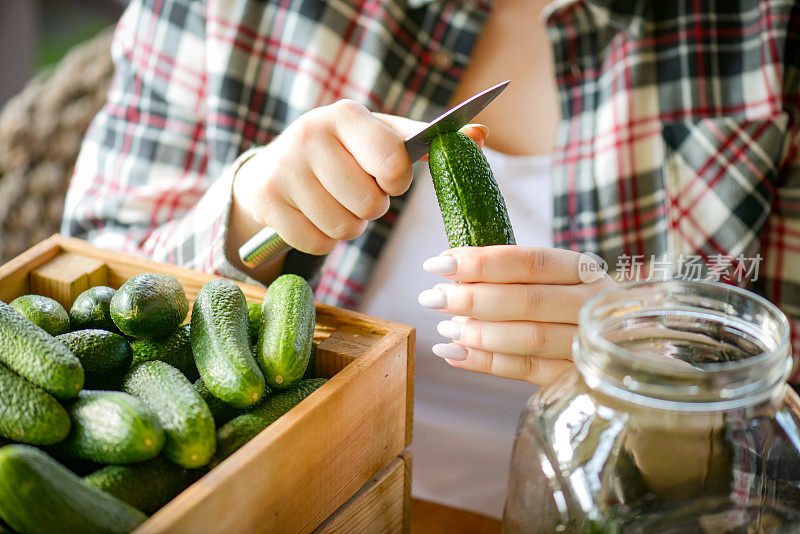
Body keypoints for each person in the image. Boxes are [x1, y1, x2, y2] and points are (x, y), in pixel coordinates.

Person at [63, 0, 800, 518]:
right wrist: (245, 215)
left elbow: (778, 453)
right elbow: (83, 282)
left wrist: (673, 404)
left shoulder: (773, 32)